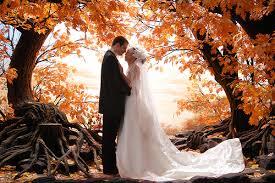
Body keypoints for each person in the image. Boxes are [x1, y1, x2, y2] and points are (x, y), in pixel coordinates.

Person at [116, 47, 245, 181]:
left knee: (135, 129)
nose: (126, 53)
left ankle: (139, 163)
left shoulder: (135, 68)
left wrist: (120, 74)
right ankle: (136, 159)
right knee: (133, 130)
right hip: (131, 101)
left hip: (134, 101)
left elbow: (132, 85)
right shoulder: (132, 66)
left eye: (129, 52)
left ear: (134, 56)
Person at [98, 36, 131, 175]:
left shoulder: (109, 57)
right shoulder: (110, 58)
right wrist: (129, 90)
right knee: (109, 138)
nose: (124, 51)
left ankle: (109, 167)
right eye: (124, 48)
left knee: (109, 137)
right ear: (117, 44)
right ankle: (110, 169)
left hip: (111, 104)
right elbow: (114, 84)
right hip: (112, 105)